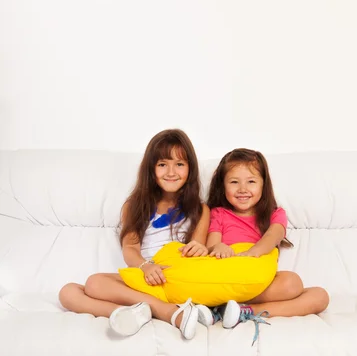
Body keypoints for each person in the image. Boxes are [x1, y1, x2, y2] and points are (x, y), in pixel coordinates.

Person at [59, 129, 210, 340]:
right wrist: (145, 266)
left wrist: (200, 248)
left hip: (176, 278)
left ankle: (163, 311)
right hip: (144, 276)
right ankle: (145, 312)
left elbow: (197, 246)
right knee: (68, 292)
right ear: (151, 169)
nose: (171, 172)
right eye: (162, 164)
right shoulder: (134, 206)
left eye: (180, 164)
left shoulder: (200, 210)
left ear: (190, 169)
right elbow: (130, 248)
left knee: (94, 282)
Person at [199, 148, 329, 341]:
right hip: (229, 279)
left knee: (319, 295)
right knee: (293, 284)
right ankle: (223, 304)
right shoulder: (218, 213)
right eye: (234, 182)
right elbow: (212, 245)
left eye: (251, 181)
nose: (243, 189)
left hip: (259, 281)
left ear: (263, 184)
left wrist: (252, 254)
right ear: (223, 185)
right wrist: (219, 248)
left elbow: (272, 237)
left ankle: (242, 311)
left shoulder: (275, 215)